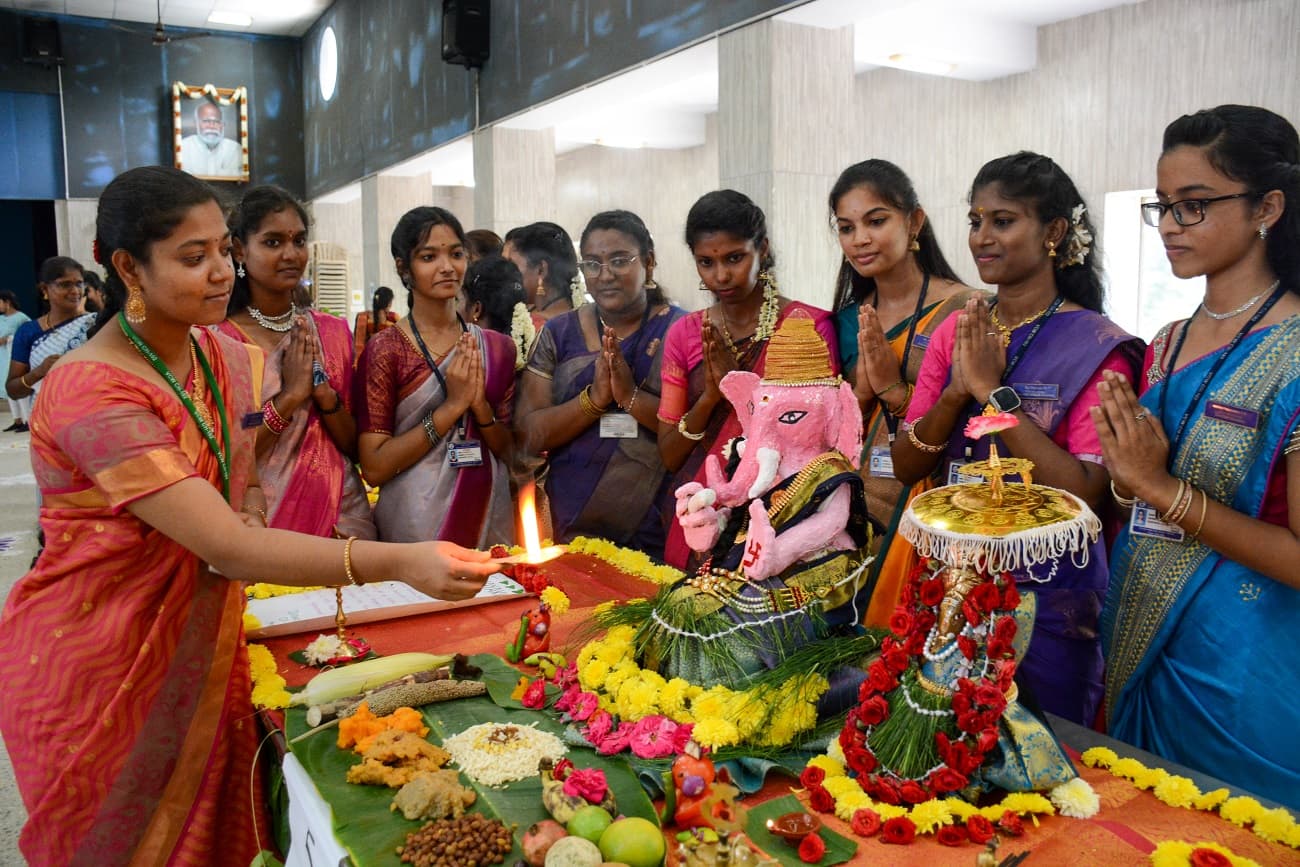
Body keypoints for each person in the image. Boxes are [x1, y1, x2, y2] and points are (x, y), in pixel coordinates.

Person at [0, 165, 497, 866]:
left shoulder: (218, 353)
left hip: (204, 631)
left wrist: (257, 502)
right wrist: (400, 561)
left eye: (221, 252)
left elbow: (237, 470)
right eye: (191, 256)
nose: (218, 272)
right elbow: (226, 546)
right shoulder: (89, 388)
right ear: (126, 267)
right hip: (102, 653)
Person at [891, 152, 1143, 726]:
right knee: (935, 736)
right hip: (948, 575)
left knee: (1037, 751)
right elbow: (906, 465)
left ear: (1054, 232)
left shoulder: (1099, 346)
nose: (981, 237)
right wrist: (957, 393)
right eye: (976, 220)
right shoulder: (958, 328)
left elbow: (1086, 492)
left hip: (1049, 593)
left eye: (1002, 221)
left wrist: (992, 393)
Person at [1094, 105, 1300, 808]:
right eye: (1165, 207)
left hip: (1241, 670)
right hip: (1139, 628)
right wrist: (1130, 480)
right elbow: (1131, 495)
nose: (1173, 226)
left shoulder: (1297, 350)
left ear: (1267, 207)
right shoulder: (1168, 340)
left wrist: (1158, 487)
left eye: (1195, 205)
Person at [829, 159, 984, 625]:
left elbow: (977, 420)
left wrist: (896, 390)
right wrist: (860, 393)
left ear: (914, 221)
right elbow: (833, 428)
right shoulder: (845, 320)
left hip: (930, 506)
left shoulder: (966, 308)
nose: (861, 238)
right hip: (850, 507)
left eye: (877, 221)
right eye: (846, 227)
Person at [657, 189, 839, 571]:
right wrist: (711, 397)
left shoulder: (808, 328)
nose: (721, 275)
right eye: (706, 262)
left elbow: (824, 441)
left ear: (764, 249)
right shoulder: (685, 335)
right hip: (706, 513)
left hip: (787, 513)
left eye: (735, 258)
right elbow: (670, 454)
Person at [516, 210, 686, 556]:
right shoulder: (558, 334)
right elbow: (529, 433)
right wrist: (593, 400)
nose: (604, 275)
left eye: (619, 261)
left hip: (658, 524)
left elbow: (694, 434)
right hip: (570, 524)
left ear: (649, 263)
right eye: (592, 264)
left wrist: (630, 397)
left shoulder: (681, 332)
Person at [215, 185, 375, 540]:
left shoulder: (331, 332)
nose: (290, 253)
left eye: (299, 241)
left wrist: (325, 397)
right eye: (273, 242)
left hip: (342, 514)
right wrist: (288, 398)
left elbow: (355, 447)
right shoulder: (218, 340)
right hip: (265, 521)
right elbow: (226, 453)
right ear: (240, 250)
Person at [354, 206, 517, 546]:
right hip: (414, 526)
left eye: (456, 254)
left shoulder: (497, 348)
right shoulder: (387, 350)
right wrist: (450, 409)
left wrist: (480, 409)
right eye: (429, 257)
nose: (447, 267)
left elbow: (512, 452)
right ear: (404, 268)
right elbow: (374, 467)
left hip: (488, 512)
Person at [5, 257, 96, 404]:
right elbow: (13, 391)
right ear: (44, 289)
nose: (75, 291)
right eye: (65, 285)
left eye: (79, 284)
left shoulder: (95, 323)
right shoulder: (28, 332)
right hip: (47, 420)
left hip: (92, 415)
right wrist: (39, 372)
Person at [457, 253, 533, 367]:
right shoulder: (533, 351)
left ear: (476, 309)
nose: (453, 309)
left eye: (457, 300)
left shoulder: (464, 361)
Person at [503, 222, 584, 329]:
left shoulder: (531, 328)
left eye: (511, 266)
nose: (504, 274)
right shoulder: (588, 318)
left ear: (541, 270)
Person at [177, 99, 243, 179]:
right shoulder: (183, 148)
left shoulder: (235, 149)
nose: (211, 126)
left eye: (216, 122)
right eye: (206, 121)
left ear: (223, 125)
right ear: (196, 123)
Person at [0, 291, 31, 431]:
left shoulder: (21, 318)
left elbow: (29, 335)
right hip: (3, 358)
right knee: (8, 389)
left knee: (20, 388)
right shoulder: (0, 319)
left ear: (7, 302)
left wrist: (9, 338)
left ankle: (27, 420)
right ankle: (17, 419)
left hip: (17, 358)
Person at [353, 285, 399, 362]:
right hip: (388, 362)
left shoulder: (363, 317)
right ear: (389, 303)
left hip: (368, 361)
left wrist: (357, 363)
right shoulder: (394, 318)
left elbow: (359, 344)